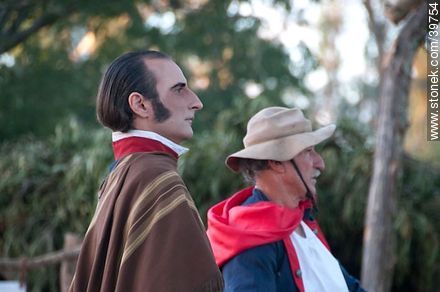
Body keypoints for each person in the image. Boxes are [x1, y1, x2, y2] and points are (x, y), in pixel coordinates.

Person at [70, 50, 223, 292]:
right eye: (179, 89)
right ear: (140, 104)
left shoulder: (125, 173)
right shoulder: (158, 179)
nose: (196, 102)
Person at [206, 107, 365, 292]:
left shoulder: (301, 220)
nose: (320, 163)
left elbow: (346, 286)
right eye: (308, 151)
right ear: (276, 162)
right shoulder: (250, 235)